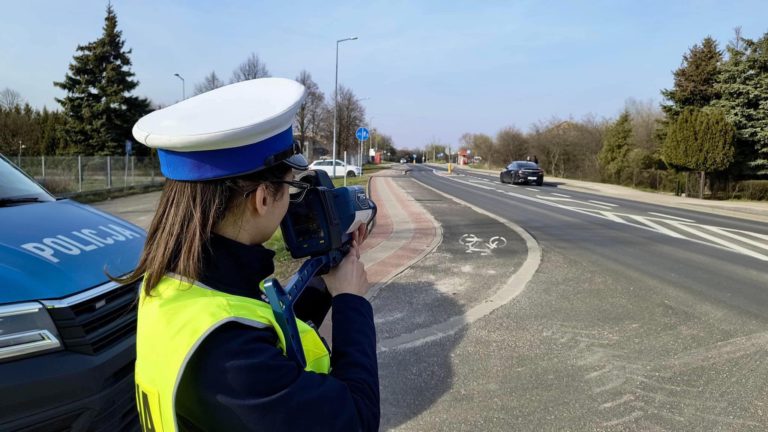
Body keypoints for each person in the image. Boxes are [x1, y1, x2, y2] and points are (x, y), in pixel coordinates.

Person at [122, 78, 379, 431]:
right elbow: (357, 419)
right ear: (261, 198)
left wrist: (324, 280)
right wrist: (351, 302)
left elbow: (261, 323)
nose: (291, 200)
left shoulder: (171, 286)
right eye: (290, 187)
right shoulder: (228, 357)